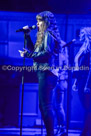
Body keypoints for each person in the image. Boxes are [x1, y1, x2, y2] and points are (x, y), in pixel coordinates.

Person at [19, 11, 62, 136]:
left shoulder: (48, 34)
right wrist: (27, 36)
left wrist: (28, 55)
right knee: (43, 106)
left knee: (46, 106)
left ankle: (50, 134)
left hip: (47, 73)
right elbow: (34, 51)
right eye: (37, 21)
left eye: (39, 21)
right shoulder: (42, 35)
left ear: (46, 22)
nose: (37, 24)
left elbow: (46, 54)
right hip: (43, 73)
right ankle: (50, 133)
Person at [72, 27, 91, 136]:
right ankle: (86, 131)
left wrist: (88, 84)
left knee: (87, 107)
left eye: (82, 33)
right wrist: (76, 82)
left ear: (87, 35)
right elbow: (78, 66)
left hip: (86, 81)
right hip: (81, 80)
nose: (80, 35)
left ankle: (86, 132)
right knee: (86, 107)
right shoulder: (83, 47)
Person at [53, 40, 68, 136]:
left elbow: (61, 71)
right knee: (56, 106)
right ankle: (60, 127)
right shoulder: (64, 57)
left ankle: (62, 128)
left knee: (58, 106)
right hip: (60, 82)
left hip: (59, 82)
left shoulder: (60, 57)